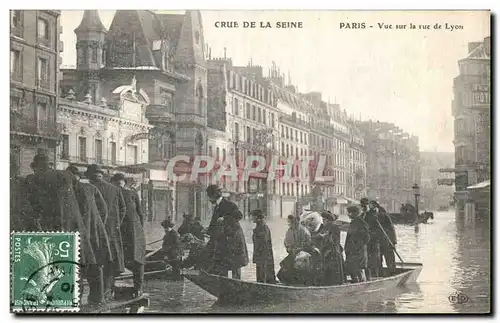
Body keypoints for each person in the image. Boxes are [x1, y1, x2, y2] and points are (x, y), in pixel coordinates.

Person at [67, 165, 112, 305]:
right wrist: (98, 226)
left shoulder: (68, 191)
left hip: (83, 234)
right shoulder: (90, 188)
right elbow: (103, 210)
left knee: (78, 266)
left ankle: (77, 299)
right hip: (94, 234)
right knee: (95, 266)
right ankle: (97, 298)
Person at [86, 164, 126, 299]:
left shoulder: (88, 189)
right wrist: (116, 225)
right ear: (101, 175)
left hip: (94, 231)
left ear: (89, 177)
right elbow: (123, 209)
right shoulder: (114, 189)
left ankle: (96, 295)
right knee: (111, 261)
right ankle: (107, 292)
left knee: (96, 261)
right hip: (112, 231)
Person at [111, 173, 146, 297]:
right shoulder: (123, 193)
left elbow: (140, 213)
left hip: (131, 230)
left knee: (134, 259)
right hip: (124, 230)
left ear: (124, 184)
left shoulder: (130, 194)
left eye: (120, 184)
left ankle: (137, 287)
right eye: (116, 185)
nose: (119, 187)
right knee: (132, 259)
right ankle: (133, 288)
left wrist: (139, 230)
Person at [205, 185, 248, 279]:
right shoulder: (217, 206)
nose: (208, 199)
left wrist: (225, 218)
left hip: (233, 239)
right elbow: (214, 223)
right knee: (223, 263)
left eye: (209, 196)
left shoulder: (229, 204)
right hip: (225, 240)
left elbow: (239, 216)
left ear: (213, 195)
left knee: (235, 265)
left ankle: (237, 285)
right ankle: (224, 284)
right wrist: (207, 231)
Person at [277, 214, 313, 285]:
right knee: (284, 266)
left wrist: (299, 249)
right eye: (289, 222)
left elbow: (308, 243)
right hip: (293, 252)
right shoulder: (290, 230)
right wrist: (288, 248)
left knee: (297, 265)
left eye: (291, 222)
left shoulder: (303, 230)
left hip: (303, 252)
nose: (290, 224)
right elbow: (286, 242)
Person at [318, 211, 345, 285]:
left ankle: (333, 283)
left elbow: (335, 240)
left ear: (328, 220)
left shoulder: (334, 227)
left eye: (324, 220)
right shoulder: (324, 227)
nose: (323, 221)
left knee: (333, 269)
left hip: (332, 251)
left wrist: (326, 237)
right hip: (326, 250)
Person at [344, 205, 370, 283]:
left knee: (356, 267)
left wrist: (357, 246)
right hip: (353, 250)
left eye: (350, 213)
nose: (348, 215)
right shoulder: (355, 222)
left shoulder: (360, 223)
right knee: (353, 267)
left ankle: (359, 283)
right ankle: (357, 282)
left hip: (357, 251)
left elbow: (366, 238)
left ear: (355, 213)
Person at [251, 209, 277, 284]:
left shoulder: (263, 227)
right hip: (261, 255)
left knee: (263, 275)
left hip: (263, 255)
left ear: (257, 217)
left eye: (253, 216)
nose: (252, 218)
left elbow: (263, 242)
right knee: (261, 274)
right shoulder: (260, 226)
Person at [372, 202, 397, 275]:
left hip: (387, 241)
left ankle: (392, 272)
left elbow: (392, 229)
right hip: (378, 242)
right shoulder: (373, 215)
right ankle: (380, 273)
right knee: (378, 259)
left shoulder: (383, 215)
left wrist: (394, 242)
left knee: (389, 258)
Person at [362, 200, 383, 280]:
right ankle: (369, 275)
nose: (368, 207)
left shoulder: (376, 214)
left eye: (369, 205)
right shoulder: (366, 214)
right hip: (368, 240)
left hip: (374, 240)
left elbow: (379, 228)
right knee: (368, 259)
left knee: (375, 258)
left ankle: (376, 275)